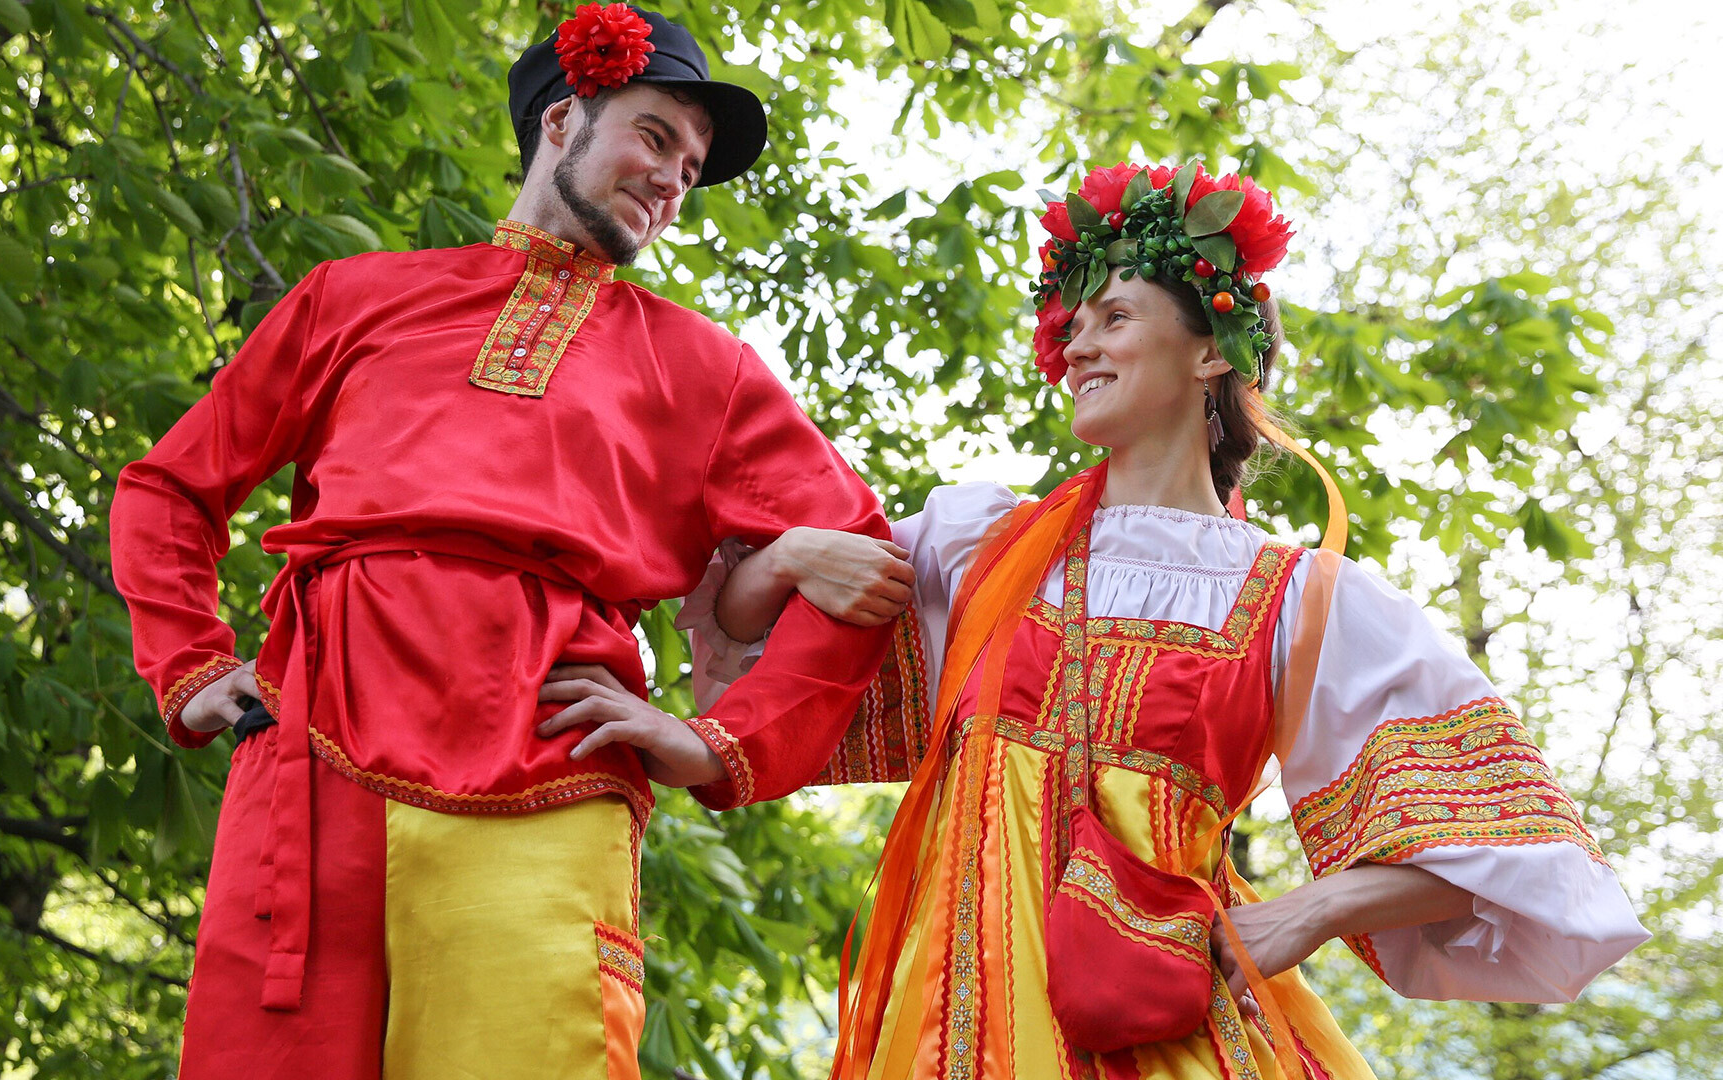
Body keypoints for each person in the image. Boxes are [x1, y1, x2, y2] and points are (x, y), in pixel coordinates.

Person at [638, 162, 1649, 1080]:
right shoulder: (975, 548)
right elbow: (756, 645)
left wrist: (1318, 905)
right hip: (955, 1028)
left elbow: (1525, 846)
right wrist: (794, 553)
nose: (1077, 341)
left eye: (1114, 316)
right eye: (1073, 322)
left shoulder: (1300, 597)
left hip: (1168, 1029)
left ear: (1211, 352)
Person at [108, 6, 915, 1077]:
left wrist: (717, 743)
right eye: (657, 136)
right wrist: (191, 664)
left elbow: (867, 568)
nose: (675, 178)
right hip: (310, 765)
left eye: (695, 165)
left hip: (548, 775)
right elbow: (169, 488)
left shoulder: (705, 369)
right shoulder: (354, 299)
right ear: (561, 119)